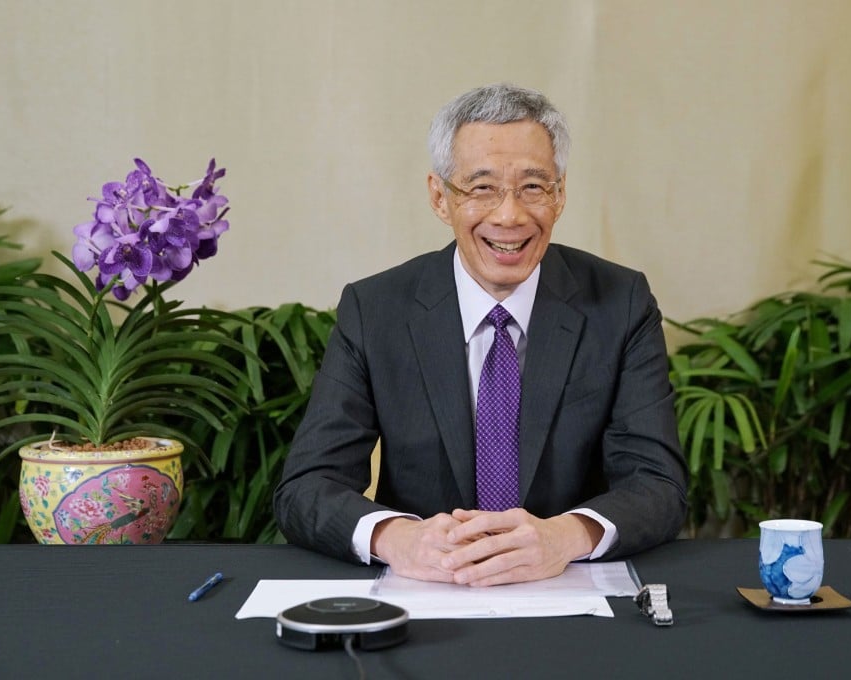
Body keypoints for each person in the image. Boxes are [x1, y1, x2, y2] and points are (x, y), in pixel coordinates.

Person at [273, 83, 687, 586]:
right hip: (426, 592)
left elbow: (658, 484)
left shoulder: (620, 303)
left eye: (533, 187)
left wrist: (565, 536)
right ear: (439, 198)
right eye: (482, 187)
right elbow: (306, 487)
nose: (509, 215)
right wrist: (399, 539)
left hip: (568, 593)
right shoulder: (376, 309)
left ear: (560, 196)